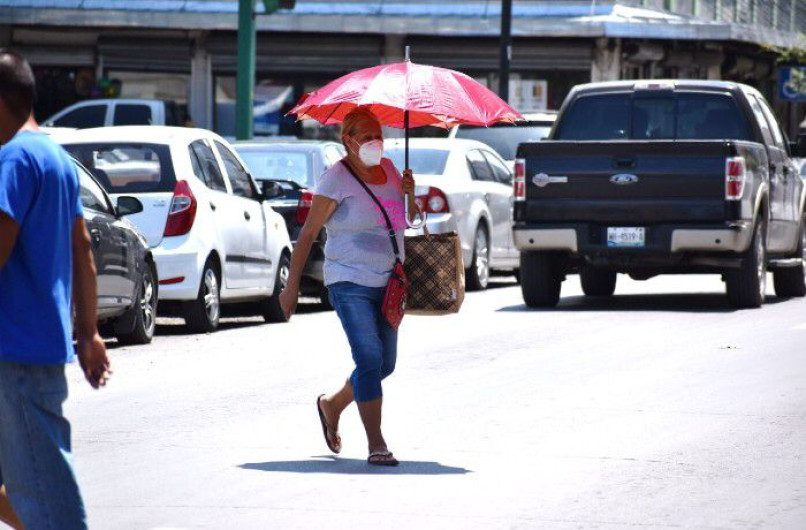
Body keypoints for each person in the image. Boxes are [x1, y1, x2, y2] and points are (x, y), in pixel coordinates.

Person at [0, 50, 111, 529]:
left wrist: (88, 335)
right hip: (35, 345)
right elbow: (82, 248)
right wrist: (88, 334)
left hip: (14, 351)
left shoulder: (14, 158)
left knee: (47, 495)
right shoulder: (56, 160)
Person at [279, 107, 416, 466]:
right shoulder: (335, 179)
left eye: (378, 135)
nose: (375, 142)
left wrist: (410, 195)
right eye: (366, 136)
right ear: (348, 140)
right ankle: (376, 443)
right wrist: (291, 286)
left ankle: (333, 404)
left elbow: (406, 223)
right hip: (348, 280)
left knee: (384, 365)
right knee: (369, 358)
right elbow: (308, 233)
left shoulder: (391, 171)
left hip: (389, 283)